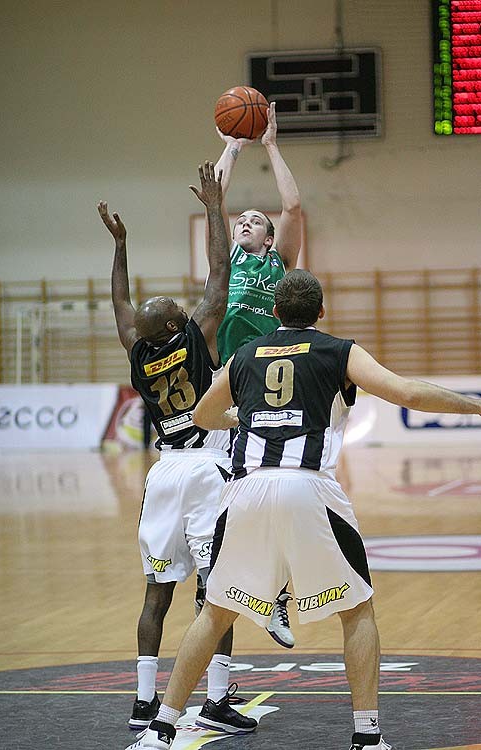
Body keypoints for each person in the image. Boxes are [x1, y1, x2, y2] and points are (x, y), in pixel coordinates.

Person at [132, 269, 481, 750]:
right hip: (308, 488)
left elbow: (202, 416)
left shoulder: (244, 355)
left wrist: (242, 418)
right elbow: (407, 394)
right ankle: (367, 736)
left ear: (275, 312)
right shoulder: (338, 351)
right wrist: (476, 407)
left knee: (214, 613)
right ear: (321, 311)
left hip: (245, 490)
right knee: (357, 611)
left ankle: (161, 730)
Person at [98, 162, 257, 736]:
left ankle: (144, 701)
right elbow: (220, 274)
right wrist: (215, 208)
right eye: (175, 310)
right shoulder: (195, 335)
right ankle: (214, 699)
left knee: (155, 593)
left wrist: (121, 246)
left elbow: (120, 304)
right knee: (217, 591)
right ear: (175, 326)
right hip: (207, 469)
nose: (183, 310)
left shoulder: (136, 351)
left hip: (163, 474)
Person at [209, 100, 302, 648]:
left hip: (270, 385)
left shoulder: (277, 262)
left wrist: (270, 145)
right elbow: (213, 197)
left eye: (255, 220)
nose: (244, 220)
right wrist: (232, 146)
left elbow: (293, 204)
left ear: (269, 238)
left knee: (279, 502)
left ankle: (278, 598)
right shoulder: (226, 261)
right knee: (231, 504)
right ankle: (222, 589)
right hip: (227, 382)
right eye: (240, 219)